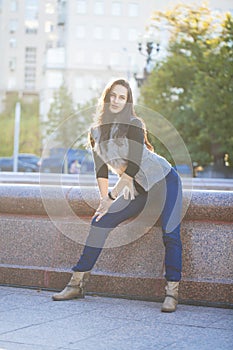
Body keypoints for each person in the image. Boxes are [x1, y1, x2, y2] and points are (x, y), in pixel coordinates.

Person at [52, 78, 183, 312]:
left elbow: (131, 167)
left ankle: (172, 292)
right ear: (106, 97)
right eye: (113, 95)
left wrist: (111, 197)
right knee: (100, 221)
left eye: (122, 97)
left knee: (170, 233)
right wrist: (104, 202)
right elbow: (100, 170)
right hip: (139, 187)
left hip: (165, 181)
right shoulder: (95, 132)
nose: (116, 100)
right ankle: (77, 283)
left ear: (127, 101)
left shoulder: (134, 124)